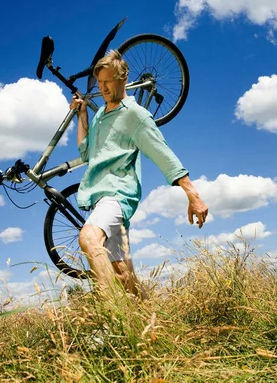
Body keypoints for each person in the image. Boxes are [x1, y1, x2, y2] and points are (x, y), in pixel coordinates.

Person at [70, 49, 208, 299]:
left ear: (123, 79)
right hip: (99, 196)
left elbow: (162, 153)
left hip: (116, 194)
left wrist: (193, 195)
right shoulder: (101, 114)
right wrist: (82, 114)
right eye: (99, 82)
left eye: (107, 82)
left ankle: (112, 318)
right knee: (124, 276)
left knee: (88, 237)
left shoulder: (135, 115)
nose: (102, 88)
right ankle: (155, 327)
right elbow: (86, 151)